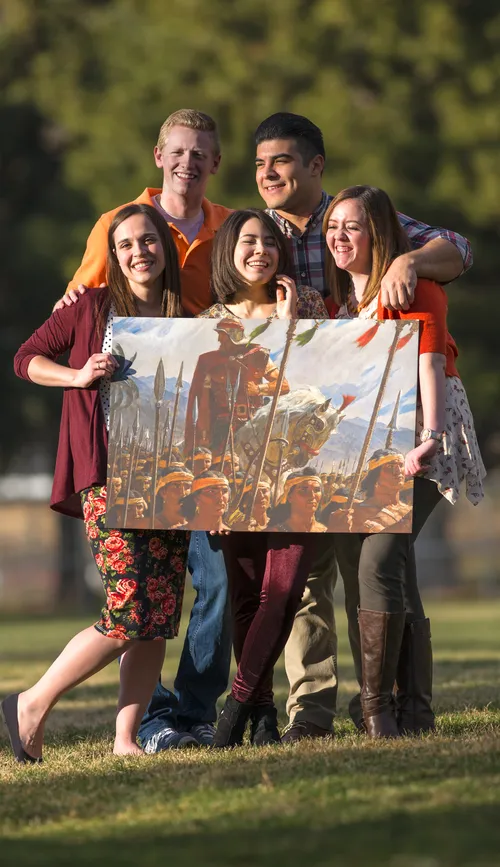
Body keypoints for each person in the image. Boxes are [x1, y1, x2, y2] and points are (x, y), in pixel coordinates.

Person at [254, 111, 474, 741]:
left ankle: (390, 707)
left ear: (315, 166)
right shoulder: (253, 232)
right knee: (330, 572)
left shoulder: (371, 226)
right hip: (329, 434)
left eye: (284, 161)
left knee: (378, 561)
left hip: (401, 434)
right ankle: (339, 710)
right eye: (262, 163)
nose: (270, 174)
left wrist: (411, 261)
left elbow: (458, 251)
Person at [56, 110, 233, 751]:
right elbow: (76, 311)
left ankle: (190, 710)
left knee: (210, 582)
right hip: (131, 448)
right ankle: (142, 718)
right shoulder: (120, 226)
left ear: (215, 162)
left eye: (201, 153)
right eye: (178, 151)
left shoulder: (230, 228)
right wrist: (76, 375)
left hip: (202, 439)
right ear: (160, 155)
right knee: (144, 604)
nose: (188, 162)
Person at [4, 203, 194, 762]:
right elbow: (26, 358)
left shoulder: (186, 316)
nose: (140, 252)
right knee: (129, 607)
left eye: (149, 241)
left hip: (172, 477)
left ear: (167, 248)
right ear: (113, 255)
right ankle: (30, 704)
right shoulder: (90, 306)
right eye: (127, 244)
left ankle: (125, 740)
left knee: (157, 618)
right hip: (109, 474)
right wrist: (78, 375)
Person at [324, 184, 485, 737]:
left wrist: (433, 434)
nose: (339, 237)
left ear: (378, 233)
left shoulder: (411, 285)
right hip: (372, 449)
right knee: (398, 570)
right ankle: (412, 710)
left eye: (352, 226)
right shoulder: (343, 304)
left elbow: (431, 363)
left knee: (378, 563)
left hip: (423, 436)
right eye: (332, 227)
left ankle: (378, 713)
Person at [198, 207, 327, 748]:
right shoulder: (207, 323)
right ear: (228, 249)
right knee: (248, 595)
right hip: (233, 478)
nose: (260, 250)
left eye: (269, 242)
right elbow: (201, 415)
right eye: (248, 241)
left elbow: (326, 384)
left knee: (285, 588)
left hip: (297, 474)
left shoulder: (309, 306)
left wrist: (293, 322)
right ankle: (266, 714)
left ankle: (234, 710)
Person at [184, 315, 289, 460]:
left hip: (253, 421)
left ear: (232, 336)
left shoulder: (258, 356)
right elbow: (200, 397)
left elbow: (283, 386)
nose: (219, 340)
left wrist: (258, 389)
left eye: (222, 335)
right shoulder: (208, 360)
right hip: (222, 424)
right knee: (218, 461)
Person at [328, 449, 412, 533]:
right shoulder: (356, 513)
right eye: (390, 466)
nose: (398, 471)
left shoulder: (410, 511)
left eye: (401, 465)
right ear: (376, 475)